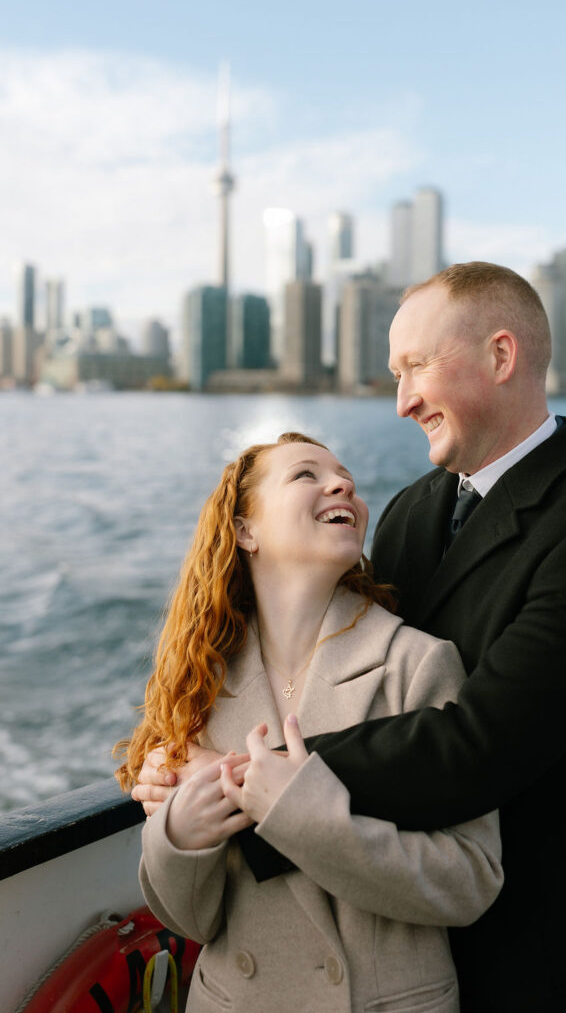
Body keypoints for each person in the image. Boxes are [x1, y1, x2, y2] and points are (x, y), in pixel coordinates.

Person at [134, 263, 566, 1013]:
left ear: (500, 355)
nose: (401, 401)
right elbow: (362, 671)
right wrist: (181, 786)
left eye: (416, 366)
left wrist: (238, 776)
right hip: (397, 938)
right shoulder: (413, 512)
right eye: (395, 374)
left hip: (539, 948)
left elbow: (477, 743)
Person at [117, 432, 502, 1013]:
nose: (341, 483)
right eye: (305, 475)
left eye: (344, 475)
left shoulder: (417, 664)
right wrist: (179, 840)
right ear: (245, 530)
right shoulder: (205, 684)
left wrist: (291, 810)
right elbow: (192, 923)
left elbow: (471, 878)